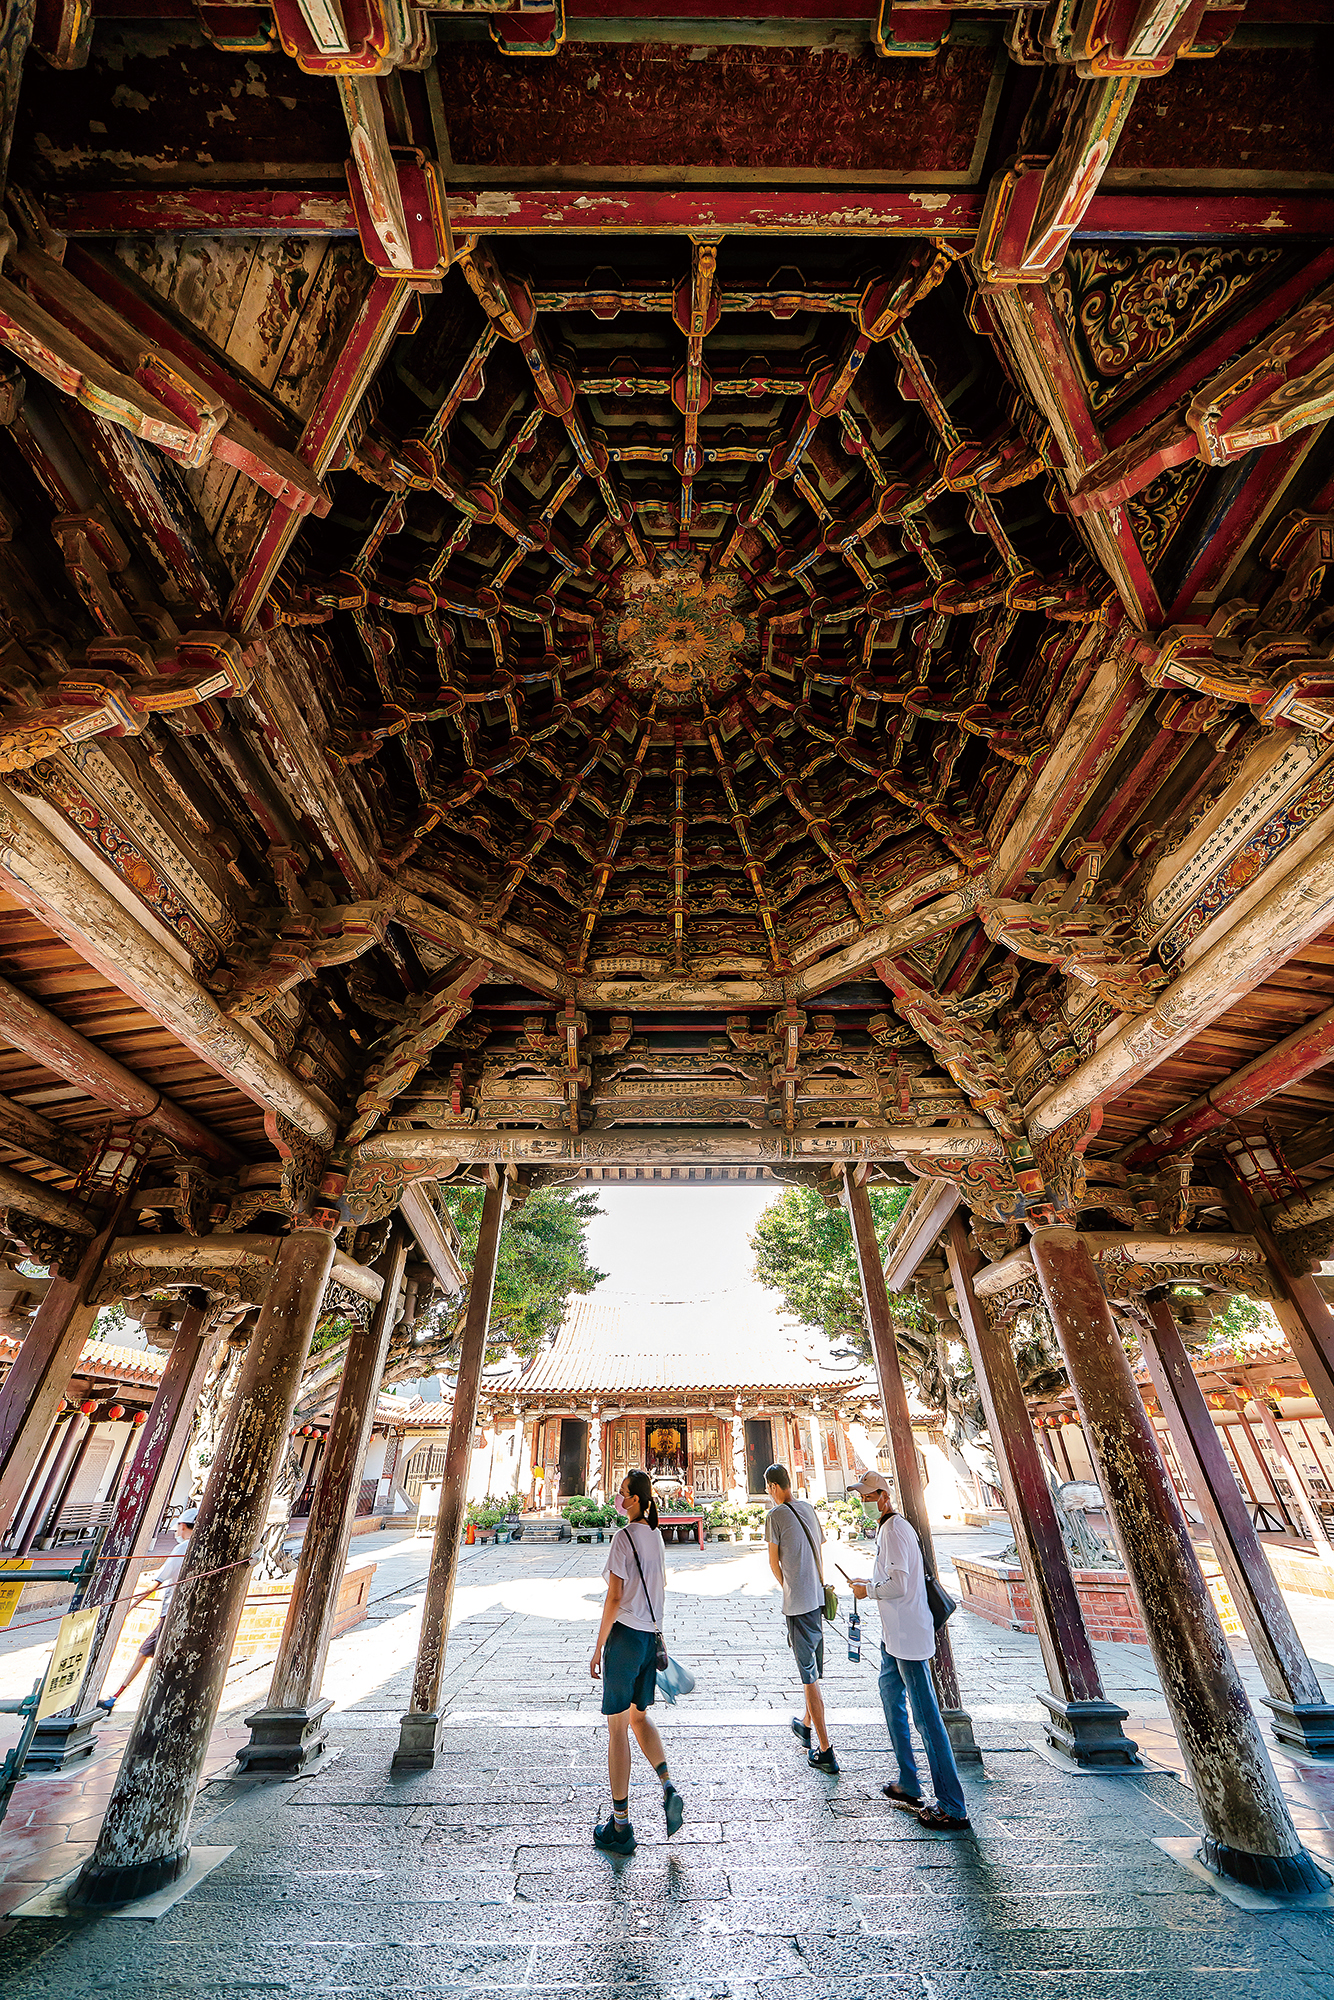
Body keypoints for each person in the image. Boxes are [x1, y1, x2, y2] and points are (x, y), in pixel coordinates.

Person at [846, 1471, 970, 1830]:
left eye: (870, 1496)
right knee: (890, 1695)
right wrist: (869, 1583)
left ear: (884, 1496)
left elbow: (898, 1584)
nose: (865, 1502)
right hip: (894, 1636)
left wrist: (868, 1590)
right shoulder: (889, 1528)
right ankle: (909, 1779)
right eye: (862, 1497)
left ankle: (952, 1804)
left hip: (908, 1637)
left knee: (926, 1718)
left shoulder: (894, 1530)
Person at [589, 1468, 685, 1852]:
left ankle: (620, 1826)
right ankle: (668, 1784)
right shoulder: (655, 1536)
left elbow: (614, 1597)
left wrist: (598, 1646)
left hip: (625, 1637)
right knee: (639, 1717)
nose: (619, 1497)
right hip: (650, 1640)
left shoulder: (623, 1537)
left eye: (623, 1492)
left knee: (617, 1729)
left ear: (637, 1500)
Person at [764, 1462, 837, 1773]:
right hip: (817, 1598)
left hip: (799, 1605)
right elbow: (819, 1547)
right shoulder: (808, 1508)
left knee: (809, 1677)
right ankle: (805, 1725)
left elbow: (773, 1562)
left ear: (773, 1487)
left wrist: (789, 1587)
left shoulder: (775, 1516)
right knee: (813, 1670)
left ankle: (826, 1749)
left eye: (768, 1488)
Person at [96, 1506, 197, 1714]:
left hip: (171, 1610)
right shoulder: (198, 1547)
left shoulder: (181, 1549)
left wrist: (130, 1604)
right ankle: (115, 1697)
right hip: (179, 1609)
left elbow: (157, 1580)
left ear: (183, 1526)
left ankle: (159, 1701)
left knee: (158, 1656)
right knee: (145, 1652)